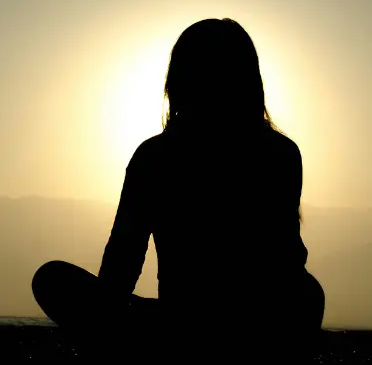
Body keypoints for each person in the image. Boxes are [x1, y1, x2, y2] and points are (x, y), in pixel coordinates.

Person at [32, 18, 325, 360]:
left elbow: (120, 268)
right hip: (257, 326)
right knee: (306, 292)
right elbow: (287, 261)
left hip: (184, 327)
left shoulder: (154, 156)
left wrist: (107, 320)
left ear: (178, 82)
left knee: (52, 279)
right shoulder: (281, 152)